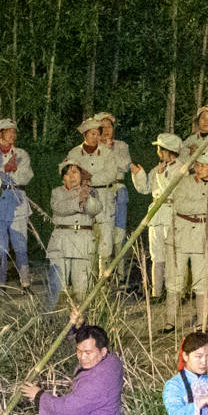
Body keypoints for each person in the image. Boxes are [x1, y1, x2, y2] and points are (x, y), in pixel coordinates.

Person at [164, 154, 208, 333]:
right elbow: (180, 205)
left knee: (203, 280)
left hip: (204, 237)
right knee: (175, 278)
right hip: (181, 234)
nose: (200, 169)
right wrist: (205, 203)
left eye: (204, 166)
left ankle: (201, 323)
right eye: (198, 165)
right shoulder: (185, 182)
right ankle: (170, 321)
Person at [131, 134, 187, 300]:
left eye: (159, 148)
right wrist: (138, 174)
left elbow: (171, 191)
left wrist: (162, 175)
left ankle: (178, 292)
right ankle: (156, 293)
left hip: (172, 214)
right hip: (156, 215)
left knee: (174, 256)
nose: (157, 151)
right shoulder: (158, 168)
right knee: (157, 256)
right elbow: (146, 188)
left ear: (168, 151)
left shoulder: (181, 168)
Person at [64, 117, 123, 267]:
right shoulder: (74, 154)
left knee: (106, 243)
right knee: (85, 240)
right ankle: (85, 282)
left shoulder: (107, 154)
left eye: (98, 133)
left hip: (104, 198)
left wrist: (89, 177)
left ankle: (103, 282)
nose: (96, 137)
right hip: (82, 199)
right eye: (92, 134)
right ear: (85, 135)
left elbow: (110, 175)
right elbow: (68, 175)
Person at [0, 117, 35, 288]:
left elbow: (27, 176)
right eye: (9, 131)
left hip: (17, 202)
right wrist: (3, 170)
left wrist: (12, 173)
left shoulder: (21, 154)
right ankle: (1, 284)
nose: (12, 135)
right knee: (0, 248)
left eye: (14, 131)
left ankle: (25, 282)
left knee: (20, 244)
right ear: (0, 133)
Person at [49, 158, 101, 303]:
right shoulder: (57, 192)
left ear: (81, 175)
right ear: (62, 178)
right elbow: (59, 208)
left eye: (75, 172)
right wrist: (78, 200)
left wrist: (87, 196)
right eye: (67, 174)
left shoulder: (92, 192)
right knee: (58, 287)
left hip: (83, 242)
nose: (72, 176)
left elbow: (95, 209)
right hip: (61, 242)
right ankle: (55, 320)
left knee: (83, 289)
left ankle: (84, 321)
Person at [97, 112, 135, 248]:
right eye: (103, 127)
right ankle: (100, 267)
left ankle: (119, 267)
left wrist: (110, 151)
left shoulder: (121, 146)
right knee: (100, 229)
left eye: (109, 127)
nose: (106, 130)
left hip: (118, 189)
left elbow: (126, 165)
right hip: (99, 191)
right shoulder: (92, 147)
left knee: (119, 229)